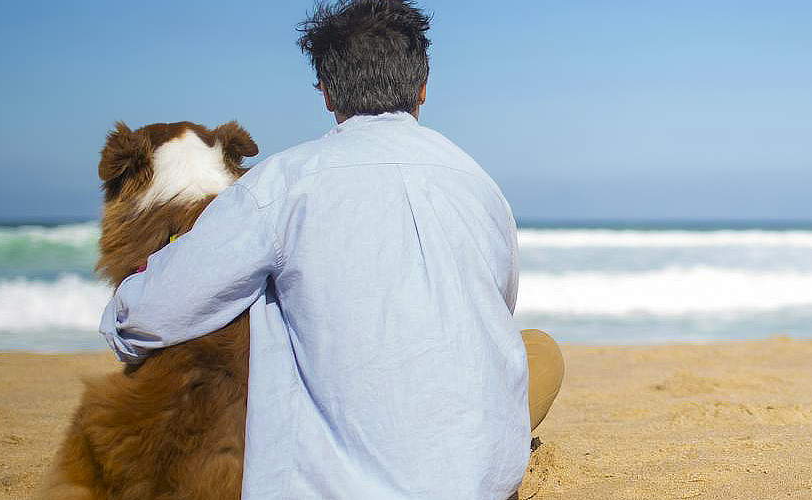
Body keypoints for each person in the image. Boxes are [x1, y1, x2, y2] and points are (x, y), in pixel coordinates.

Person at [97, 0, 562, 498]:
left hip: (336, 484)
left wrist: (134, 293)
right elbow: (493, 311)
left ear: (326, 91)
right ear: (424, 84)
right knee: (540, 352)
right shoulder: (481, 187)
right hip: (473, 482)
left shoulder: (280, 186)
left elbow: (151, 316)